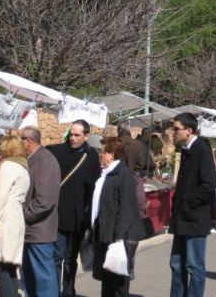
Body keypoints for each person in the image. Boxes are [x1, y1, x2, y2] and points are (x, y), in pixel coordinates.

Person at [47, 119, 100, 297]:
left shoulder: (91, 156)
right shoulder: (56, 151)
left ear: (86, 136)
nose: (73, 138)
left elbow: (93, 189)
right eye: (71, 134)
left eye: (77, 135)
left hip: (79, 218)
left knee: (71, 258)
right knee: (57, 257)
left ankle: (68, 291)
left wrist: (90, 218)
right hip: (59, 215)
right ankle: (54, 292)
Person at [168, 112, 216, 297]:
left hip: (194, 219)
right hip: (182, 218)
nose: (174, 132)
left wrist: (189, 203)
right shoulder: (187, 150)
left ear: (189, 130)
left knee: (194, 266)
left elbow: (210, 185)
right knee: (176, 264)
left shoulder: (202, 149)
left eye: (176, 128)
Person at [91, 137, 146, 297]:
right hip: (107, 233)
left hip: (119, 237)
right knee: (108, 278)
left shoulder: (123, 175)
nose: (101, 155)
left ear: (112, 154)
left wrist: (118, 237)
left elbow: (126, 209)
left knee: (118, 281)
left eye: (104, 152)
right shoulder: (108, 174)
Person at [0, 133, 31, 297]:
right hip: (15, 218)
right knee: (8, 268)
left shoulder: (8, 167)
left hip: (5, 219)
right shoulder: (21, 167)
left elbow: (0, 195)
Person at [19, 126, 61, 297]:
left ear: (28, 141)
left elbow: (44, 202)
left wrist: (23, 216)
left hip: (39, 231)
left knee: (44, 278)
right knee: (28, 277)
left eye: (20, 139)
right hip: (29, 231)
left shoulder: (46, 161)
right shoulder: (32, 159)